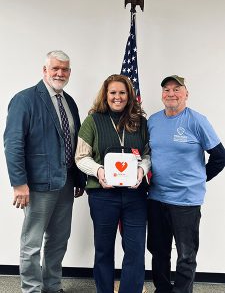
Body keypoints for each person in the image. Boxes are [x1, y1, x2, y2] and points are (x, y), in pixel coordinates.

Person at [4, 50, 86, 293]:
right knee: (32, 243)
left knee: (58, 241)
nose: (60, 73)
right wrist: (19, 184)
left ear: (69, 73)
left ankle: (52, 286)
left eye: (65, 69)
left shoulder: (69, 101)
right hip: (37, 184)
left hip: (66, 181)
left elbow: (76, 141)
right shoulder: (25, 100)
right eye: (55, 69)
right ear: (45, 71)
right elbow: (14, 143)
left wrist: (79, 178)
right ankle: (32, 289)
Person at [147, 75, 225, 293]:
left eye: (176, 89)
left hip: (186, 201)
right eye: (166, 90)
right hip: (156, 198)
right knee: (158, 251)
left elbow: (220, 156)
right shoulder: (152, 121)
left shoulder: (197, 120)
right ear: (162, 95)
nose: (171, 93)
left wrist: (199, 178)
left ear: (186, 94)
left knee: (186, 255)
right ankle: (162, 289)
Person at [75, 74, 150, 293]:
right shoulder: (93, 120)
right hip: (102, 195)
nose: (118, 97)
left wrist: (141, 170)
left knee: (135, 249)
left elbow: (148, 154)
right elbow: (81, 157)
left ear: (129, 95)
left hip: (136, 196)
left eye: (122, 92)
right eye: (113, 92)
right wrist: (99, 171)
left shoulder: (140, 122)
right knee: (104, 249)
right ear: (105, 95)